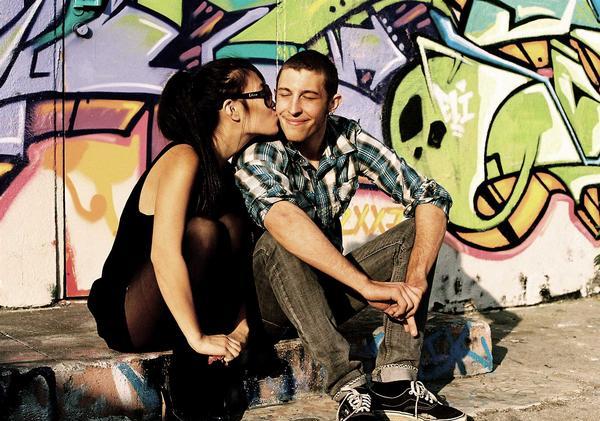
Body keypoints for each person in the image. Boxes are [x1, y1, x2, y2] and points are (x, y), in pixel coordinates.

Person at [235, 50, 467, 421]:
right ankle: (349, 387)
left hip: (325, 294)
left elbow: (431, 197)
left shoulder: (347, 139)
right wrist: (366, 285)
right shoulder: (261, 150)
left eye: (308, 97)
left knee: (417, 229)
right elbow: (282, 218)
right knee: (279, 238)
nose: (292, 109)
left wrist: (416, 279)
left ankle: (396, 383)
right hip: (267, 310)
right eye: (285, 94)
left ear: (333, 103)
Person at [87, 58, 279, 420]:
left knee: (233, 226)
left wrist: (242, 327)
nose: (275, 103)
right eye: (264, 93)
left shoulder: (234, 171)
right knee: (204, 233)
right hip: (132, 312)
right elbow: (164, 254)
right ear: (233, 109)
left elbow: (242, 265)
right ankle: (186, 394)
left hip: (185, 315)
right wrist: (197, 338)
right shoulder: (184, 156)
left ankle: (203, 382)